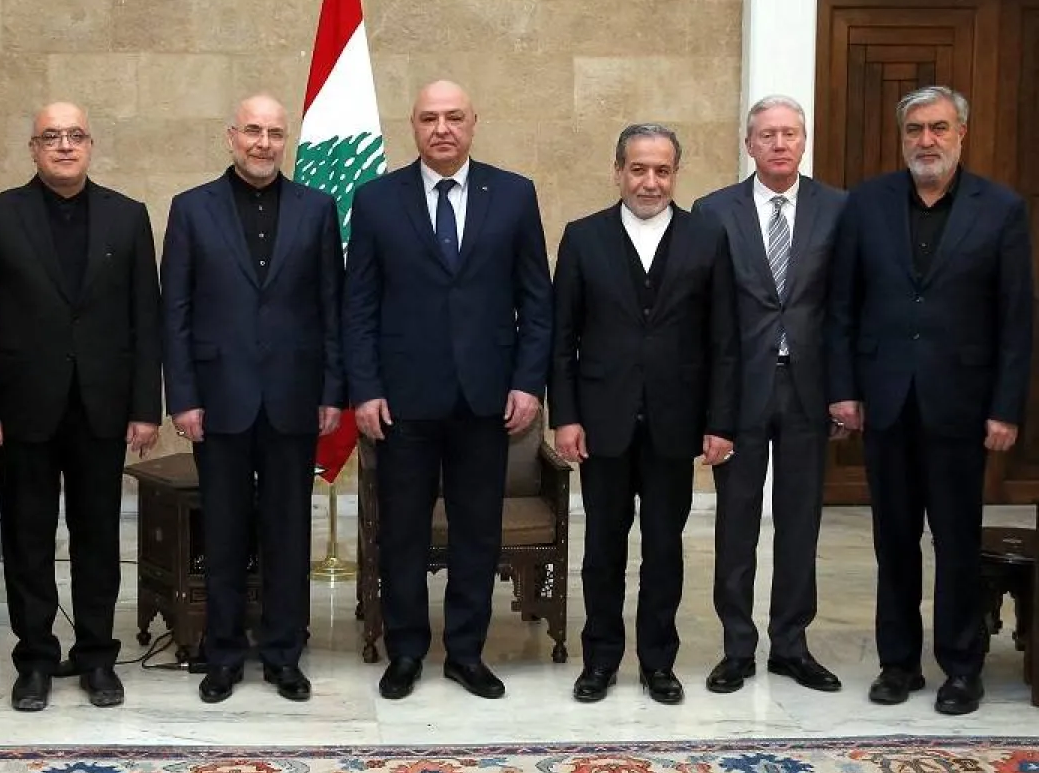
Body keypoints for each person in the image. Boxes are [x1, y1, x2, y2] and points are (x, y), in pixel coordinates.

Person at [342, 80, 552, 702]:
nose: (442, 129)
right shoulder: (377, 199)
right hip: (401, 402)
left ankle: (466, 652)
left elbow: (536, 302)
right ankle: (406, 650)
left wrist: (528, 383)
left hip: (487, 400)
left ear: (473, 123)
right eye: (429, 118)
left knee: (476, 531)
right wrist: (366, 389)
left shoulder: (514, 195)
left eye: (453, 117)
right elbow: (360, 307)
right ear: (412, 126)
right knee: (402, 530)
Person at [828, 85, 1032, 716]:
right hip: (885, 401)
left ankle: (961, 668)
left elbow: (1017, 318)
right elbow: (842, 307)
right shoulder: (866, 204)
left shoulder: (1000, 210)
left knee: (955, 540)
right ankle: (898, 664)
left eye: (939, 128)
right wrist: (844, 390)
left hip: (963, 406)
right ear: (902, 136)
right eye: (915, 129)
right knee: (892, 539)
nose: (927, 140)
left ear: (961, 133)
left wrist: (1006, 407)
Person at [0, 101, 162, 712]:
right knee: (27, 538)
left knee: (98, 537)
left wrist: (144, 407)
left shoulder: (127, 218)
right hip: (23, 410)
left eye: (75, 135)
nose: (64, 145)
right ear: (33, 147)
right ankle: (35, 660)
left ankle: (99, 655)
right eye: (51, 136)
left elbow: (144, 320)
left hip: (102, 408)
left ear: (91, 144)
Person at [160, 94, 345, 704]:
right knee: (226, 534)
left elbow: (331, 310)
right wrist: (182, 397)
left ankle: (284, 654)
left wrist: (331, 392)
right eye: (252, 132)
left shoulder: (317, 209)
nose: (263, 143)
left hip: (295, 399)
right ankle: (223, 656)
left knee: (289, 533)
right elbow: (176, 314)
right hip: (219, 401)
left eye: (273, 133)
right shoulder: (191, 210)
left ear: (283, 140)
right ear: (230, 136)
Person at [550, 123, 738, 706]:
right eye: (638, 168)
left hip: (675, 423)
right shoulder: (583, 238)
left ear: (675, 175)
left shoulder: (708, 237)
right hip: (601, 421)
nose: (649, 181)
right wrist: (567, 416)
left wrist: (720, 421)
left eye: (662, 170)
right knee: (602, 546)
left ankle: (659, 661)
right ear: (618, 170)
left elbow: (724, 341)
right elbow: (562, 340)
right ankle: (600, 660)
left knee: (664, 546)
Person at [693, 96, 846, 696]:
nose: (779, 144)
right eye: (767, 135)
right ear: (749, 144)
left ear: (803, 141)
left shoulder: (837, 208)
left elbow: (845, 308)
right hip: (740, 390)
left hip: (810, 390)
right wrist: (710, 407)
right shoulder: (714, 211)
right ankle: (737, 646)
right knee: (736, 523)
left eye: (790, 133)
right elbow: (703, 317)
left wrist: (845, 392)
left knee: (801, 521)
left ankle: (791, 643)